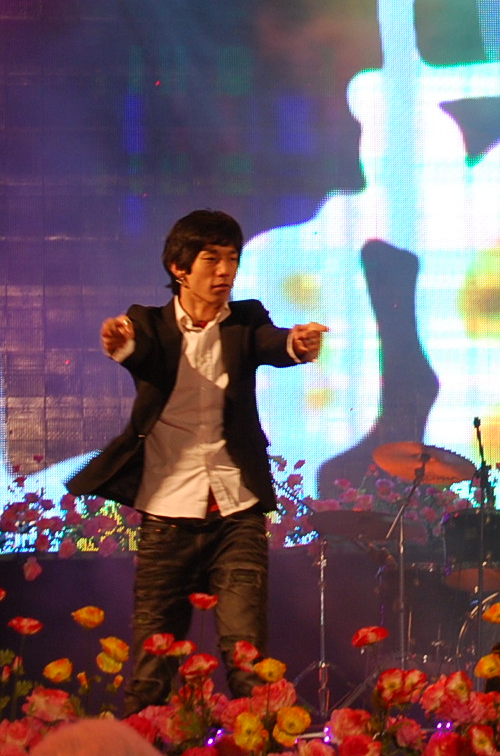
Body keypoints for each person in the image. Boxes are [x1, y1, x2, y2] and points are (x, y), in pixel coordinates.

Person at [67, 209, 328, 710]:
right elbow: (142, 352)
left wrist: (296, 344)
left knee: (248, 662)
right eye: (212, 259)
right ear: (180, 268)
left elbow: (272, 342)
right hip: (168, 514)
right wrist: (121, 345)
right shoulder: (149, 323)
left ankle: (258, 738)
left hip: (237, 515)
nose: (225, 271)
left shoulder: (246, 320)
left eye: (233, 259)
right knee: (152, 670)